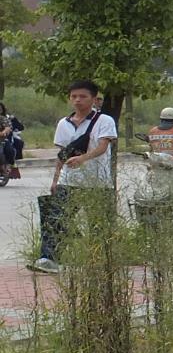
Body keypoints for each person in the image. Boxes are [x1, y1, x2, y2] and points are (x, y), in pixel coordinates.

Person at [32, 80, 119, 274]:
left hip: (97, 183)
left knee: (98, 224)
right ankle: (49, 259)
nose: (78, 100)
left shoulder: (104, 121)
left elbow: (102, 147)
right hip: (68, 181)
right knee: (56, 219)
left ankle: (101, 262)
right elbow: (62, 154)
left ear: (94, 99)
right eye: (74, 96)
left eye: (83, 96)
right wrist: (55, 179)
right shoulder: (64, 123)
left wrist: (83, 158)